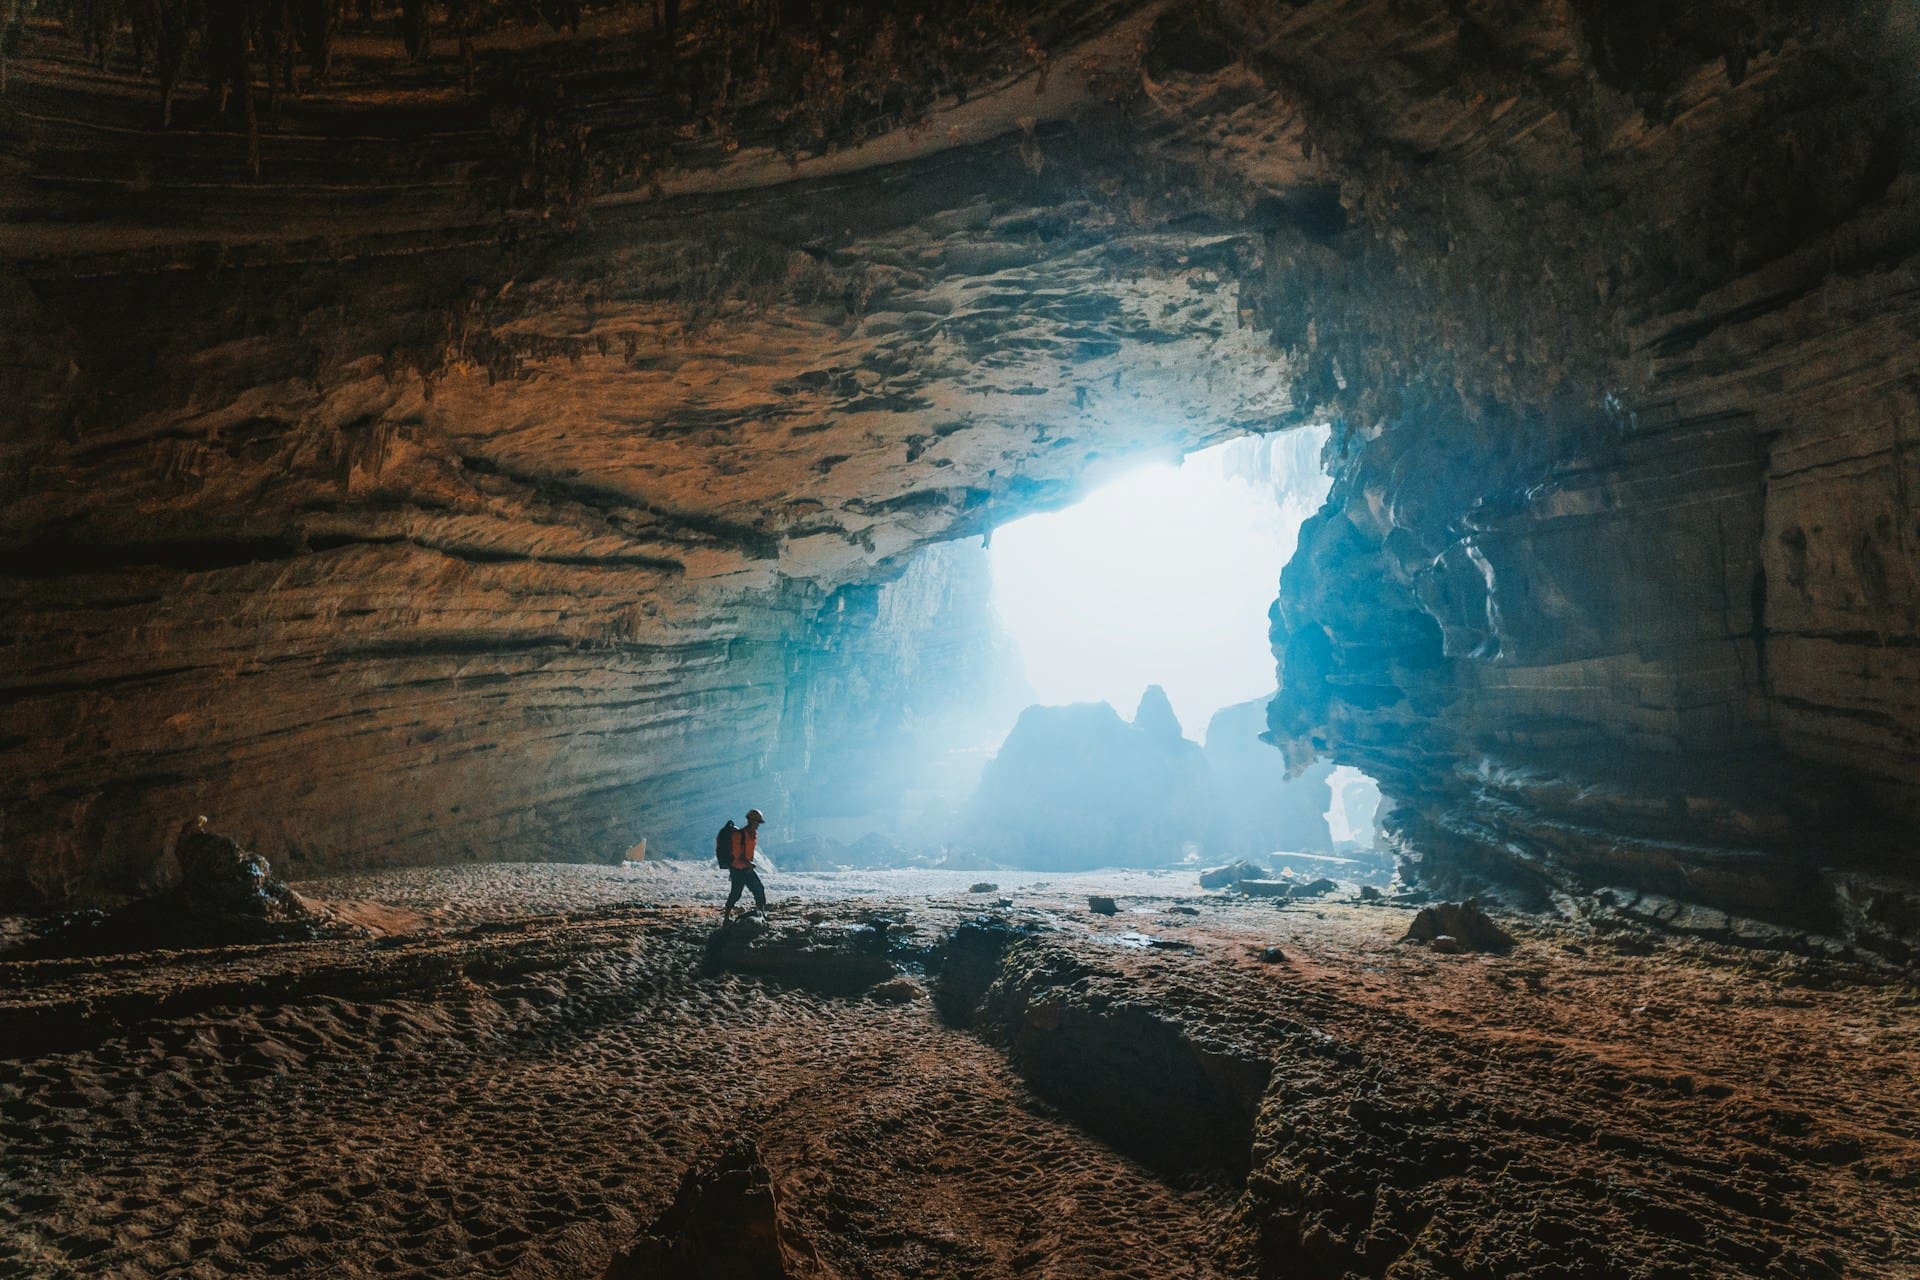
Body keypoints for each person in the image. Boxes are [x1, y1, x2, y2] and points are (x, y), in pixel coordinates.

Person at [724, 807, 768, 916]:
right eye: (757, 822)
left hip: (746, 868)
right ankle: (726, 916)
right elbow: (737, 855)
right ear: (751, 821)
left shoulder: (752, 835)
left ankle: (761, 913)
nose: (758, 825)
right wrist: (749, 863)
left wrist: (748, 864)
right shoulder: (738, 835)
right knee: (736, 894)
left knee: (759, 889)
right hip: (737, 869)